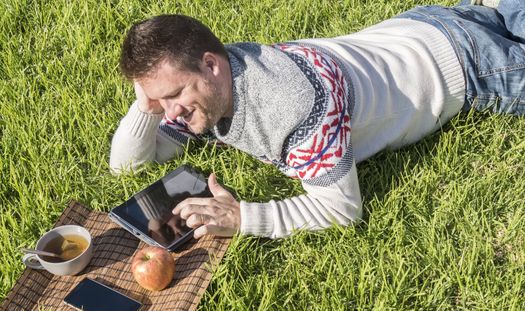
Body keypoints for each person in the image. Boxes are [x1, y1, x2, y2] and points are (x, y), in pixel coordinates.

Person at [110, 0, 525, 240]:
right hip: (418, 25)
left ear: (210, 65)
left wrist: (243, 218)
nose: (171, 112)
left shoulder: (292, 105)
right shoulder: (213, 86)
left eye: (173, 95)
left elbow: (343, 209)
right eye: (160, 100)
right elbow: (127, 165)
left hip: (468, 64)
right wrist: (144, 105)